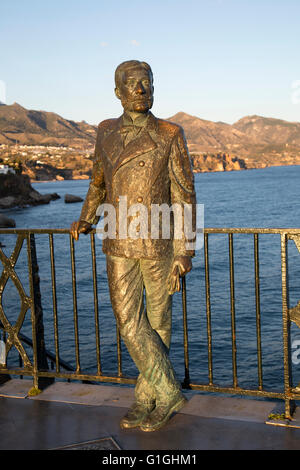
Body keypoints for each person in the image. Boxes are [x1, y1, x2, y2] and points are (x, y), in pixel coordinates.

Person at [70, 60, 196, 432]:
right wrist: (87, 217)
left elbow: (184, 196)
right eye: (133, 83)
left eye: (147, 82)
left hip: (158, 240)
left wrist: (184, 250)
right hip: (118, 238)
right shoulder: (105, 131)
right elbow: (98, 182)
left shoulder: (171, 133)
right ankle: (169, 390)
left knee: (158, 324)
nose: (141, 89)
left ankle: (148, 396)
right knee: (129, 322)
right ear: (118, 92)